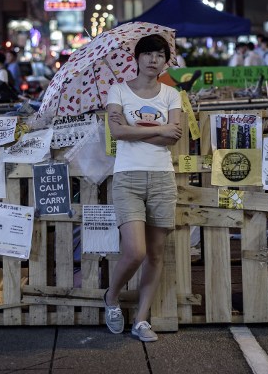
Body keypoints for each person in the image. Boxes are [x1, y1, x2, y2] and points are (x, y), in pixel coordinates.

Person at [104, 34, 182, 342]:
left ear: (166, 61)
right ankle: (111, 298)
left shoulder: (171, 94)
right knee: (135, 251)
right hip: (128, 177)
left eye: (160, 55)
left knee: (155, 254)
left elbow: (173, 138)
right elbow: (115, 130)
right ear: (136, 58)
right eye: (148, 54)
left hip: (162, 178)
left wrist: (132, 131)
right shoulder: (118, 91)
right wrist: (160, 128)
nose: (153, 59)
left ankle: (141, 320)